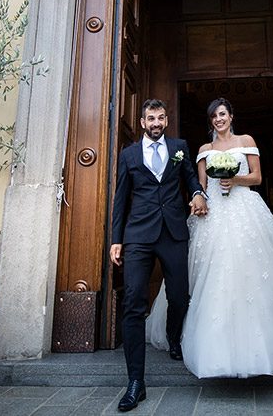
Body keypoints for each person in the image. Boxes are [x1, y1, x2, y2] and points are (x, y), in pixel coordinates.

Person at [148, 99, 273, 379]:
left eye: (223, 114)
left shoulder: (246, 140)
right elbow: (201, 185)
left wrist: (235, 180)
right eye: (214, 116)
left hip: (244, 206)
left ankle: (265, 343)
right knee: (210, 270)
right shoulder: (205, 149)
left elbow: (257, 177)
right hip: (214, 211)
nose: (219, 119)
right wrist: (198, 200)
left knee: (251, 267)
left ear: (231, 116)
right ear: (211, 120)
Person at [109, 99, 208, 413]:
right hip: (137, 235)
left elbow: (190, 177)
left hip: (173, 233)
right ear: (142, 122)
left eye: (161, 117)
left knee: (179, 296)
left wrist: (197, 193)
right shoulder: (128, 154)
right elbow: (121, 198)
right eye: (150, 118)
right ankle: (135, 382)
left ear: (166, 120)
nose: (155, 122)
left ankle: (173, 334)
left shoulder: (179, 147)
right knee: (134, 301)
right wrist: (116, 240)